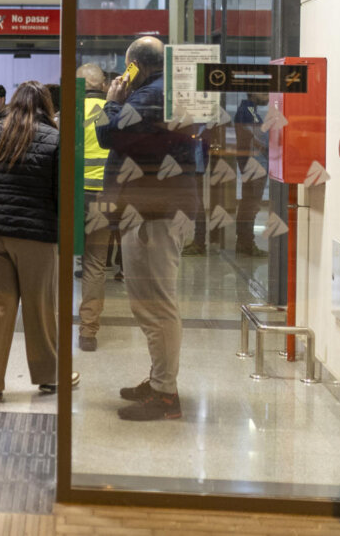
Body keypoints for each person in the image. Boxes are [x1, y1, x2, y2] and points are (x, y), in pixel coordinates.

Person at [97, 36, 197, 421]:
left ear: (135, 66)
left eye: (127, 67)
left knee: (155, 305)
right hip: (157, 209)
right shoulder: (164, 93)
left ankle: (165, 393)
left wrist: (112, 100)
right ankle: (159, 380)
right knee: (153, 303)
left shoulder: (149, 96)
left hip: (153, 213)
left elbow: (108, 135)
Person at [0, 80, 76, 401]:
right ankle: (50, 375)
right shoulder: (55, 138)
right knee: (40, 307)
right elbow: (61, 192)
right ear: (47, 106)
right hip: (35, 234)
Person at [76, 64, 111, 352]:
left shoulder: (68, 115)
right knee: (95, 264)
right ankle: (88, 332)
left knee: (57, 263)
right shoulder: (113, 113)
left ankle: (54, 325)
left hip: (71, 199)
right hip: (102, 199)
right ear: (102, 85)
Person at [234, 92, 270, 256]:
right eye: (264, 92)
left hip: (254, 162)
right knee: (250, 205)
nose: (268, 96)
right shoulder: (247, 111)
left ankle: (244, 242)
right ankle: (245, 243)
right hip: (254, 162)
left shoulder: (250, 110)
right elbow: (260, 137)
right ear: (253, 92)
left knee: (249, 204)